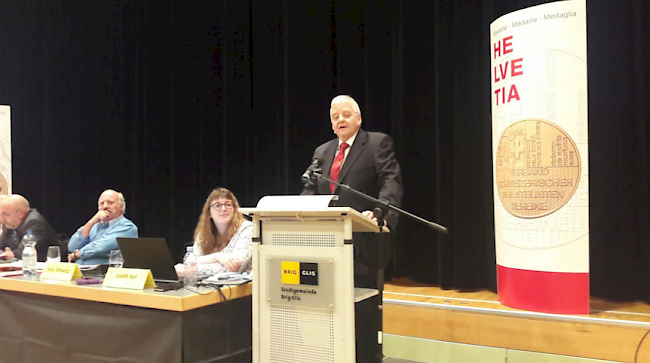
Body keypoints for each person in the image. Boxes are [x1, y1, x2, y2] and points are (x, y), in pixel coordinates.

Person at [301, 94, 403, 287]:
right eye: (335, 116)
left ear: (358, 119)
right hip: (327, 240)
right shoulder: (322, 152)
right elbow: (310, 188)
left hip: (364, 239)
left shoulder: (376, 143)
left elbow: (390, 181)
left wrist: (380, 213)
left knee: (363, 305)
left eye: (346, 114)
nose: (340, 120)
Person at [175, 188, 253, 278]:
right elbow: (190, 261)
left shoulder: (247, 229)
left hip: (241, 290)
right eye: (217, 205)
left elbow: (235, 267)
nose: (223, 208)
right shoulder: (203, 233)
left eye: (228, 204)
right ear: (209, 213)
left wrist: (191, 271)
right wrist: (216, 257)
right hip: (208, 288)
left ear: (234, 210)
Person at [68, 189, 138, 264]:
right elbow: (72, 246)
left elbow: (99, 247)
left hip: (104, 273)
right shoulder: (94, 225)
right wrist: (92, 221)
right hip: (81, 271)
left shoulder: (127, 227)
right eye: (101, 203)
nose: (105, 206)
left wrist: (77, 255)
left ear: (121, 206)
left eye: (110, 203)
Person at [0, 194, 57, 261]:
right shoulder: (9, 224)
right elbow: (2, 246)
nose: (2, 220)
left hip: (41, 267)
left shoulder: (34, 222)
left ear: (21, 213)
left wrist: (10, 253)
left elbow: (24, 252)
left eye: (6, 215)